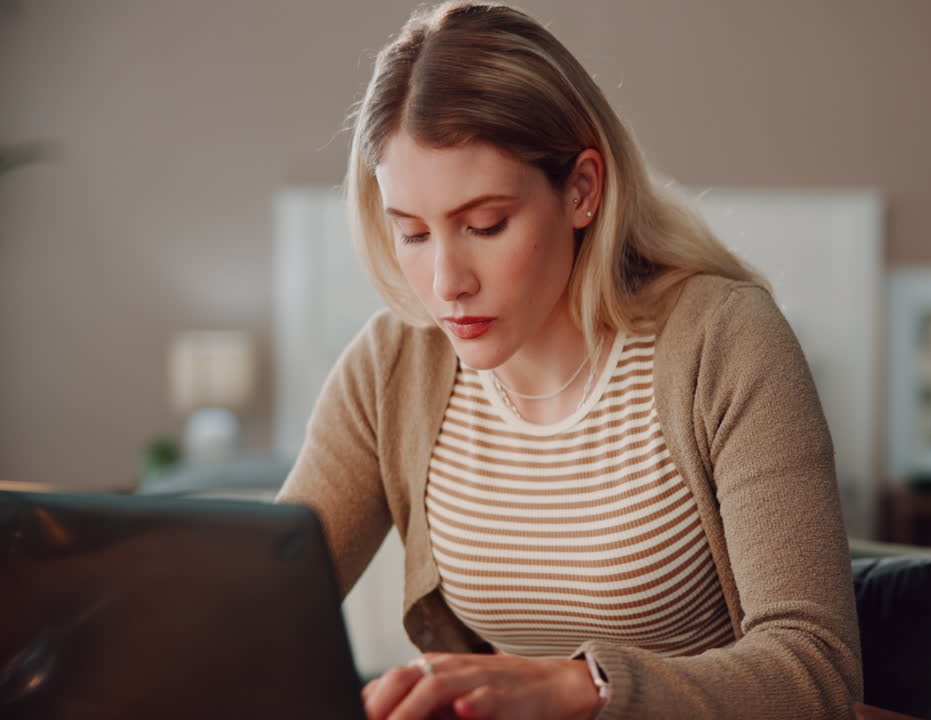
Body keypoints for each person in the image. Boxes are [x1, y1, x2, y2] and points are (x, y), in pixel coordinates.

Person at [276, 2, 862, 718]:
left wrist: (583, 688)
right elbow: (260, 612)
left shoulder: (722, 340)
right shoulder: (394, 365)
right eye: (413, 233)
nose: (445, 282)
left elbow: (817, 669)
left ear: (582, 189)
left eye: (485, 224)